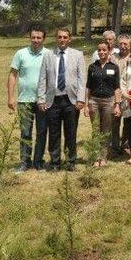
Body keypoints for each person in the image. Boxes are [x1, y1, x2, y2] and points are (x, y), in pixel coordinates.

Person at [37, 28, 86, 171]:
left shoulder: (78, 55)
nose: (62, 39)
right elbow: (42, 78)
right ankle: (55, 163)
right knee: (54, 133)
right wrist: (41, 99)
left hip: (71, 100)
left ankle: (71, 162)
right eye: (59, 37)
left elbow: (81, 79)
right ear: (56, 38)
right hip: (53, 100)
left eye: (65, 37)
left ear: (69, 39)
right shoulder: (48, 55)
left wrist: (81, 99)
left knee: (71, 132)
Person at [7, 24, 51, 172]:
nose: (36, 40)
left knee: (41, 131)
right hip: (24, 100)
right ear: (29, 37)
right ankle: (24, 162)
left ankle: (38, 162)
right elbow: (13, 75)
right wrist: (10, 97)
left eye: (39, 37)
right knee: (25, 132)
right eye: (33, 37)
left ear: (44, 38)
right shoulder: (20, 54)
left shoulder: (49, 54)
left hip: (42, 100)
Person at [84, 40, 122, 167]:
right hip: (94, 101)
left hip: (109, 101)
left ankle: (103, 157)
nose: (101, 52)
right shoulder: (92, 67)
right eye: (99, 50)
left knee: (106, 130)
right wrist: (86, 104)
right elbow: (88, 87)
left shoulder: (114, 67)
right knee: (95, 130)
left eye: (104, 50)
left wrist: (117, 105)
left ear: (108, 51)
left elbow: (117, 87)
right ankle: (95, 157)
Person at [112, 34, 131, 157]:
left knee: (128, 121)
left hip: (129, 94)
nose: (123, 46)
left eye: (126, 44)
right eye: (121, 44)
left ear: (130, 45)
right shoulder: (113, 58)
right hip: (115, 94)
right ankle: (114, 147)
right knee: (114, 122)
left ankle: (125, 145)